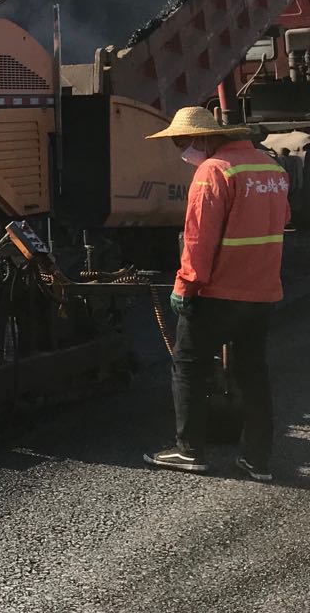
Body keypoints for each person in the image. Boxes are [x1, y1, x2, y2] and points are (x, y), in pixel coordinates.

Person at [143, 106, 290, 481]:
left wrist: (184, 286)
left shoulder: (213, 171)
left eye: (183, 143)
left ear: (202, 138)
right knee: (253, 373)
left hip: (218, 293)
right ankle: (257, 460)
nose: (183, 150)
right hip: (263, 290)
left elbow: (198, 238)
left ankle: (189, 450)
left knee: (189, 366)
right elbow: (283, 219)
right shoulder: (271, 168)